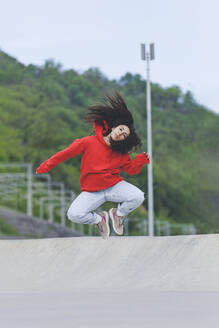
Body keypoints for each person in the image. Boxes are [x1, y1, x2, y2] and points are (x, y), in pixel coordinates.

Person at [36, 91, 150, 239]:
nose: (121, 134)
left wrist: (140, 161)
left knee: (138, 196)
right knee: (74, 214)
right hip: (92, 191)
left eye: (124, 136)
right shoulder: (88, 142)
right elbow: (65, 154)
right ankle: (99, 219)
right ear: (114, 127)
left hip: (113, 186)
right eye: (121, 130)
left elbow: (131, 170)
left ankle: (118, 215)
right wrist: (46, 166)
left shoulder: (121, 153)